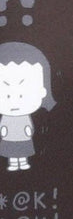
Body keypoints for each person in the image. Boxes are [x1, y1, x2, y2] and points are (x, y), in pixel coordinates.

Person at [0, 42, 56, 171]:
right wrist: (3, 131)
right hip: (9, 139)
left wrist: (28, 131)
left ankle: (22, 162)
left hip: (24, 139)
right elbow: (3, 126)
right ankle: (13, 163)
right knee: (11, 152)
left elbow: (29, 126)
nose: (14, 101)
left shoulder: (25, 117)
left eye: (21, 95)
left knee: (23, 150)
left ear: (43, 91)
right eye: (7, 95)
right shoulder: (6, 117)